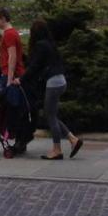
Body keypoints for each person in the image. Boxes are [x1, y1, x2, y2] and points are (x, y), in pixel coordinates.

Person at [23, 18, 84, 160]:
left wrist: (21, 79)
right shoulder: (50, 44)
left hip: (53, 83)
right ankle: (73, 139)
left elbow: (34, 67)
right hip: (60, 81)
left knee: (49, 116)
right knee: (52, 115)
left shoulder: (40, 45)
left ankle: (57, 149)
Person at [0, 6, 32, 154]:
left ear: (2, 18)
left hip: (10, 76)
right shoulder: (12, 33)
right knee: (15, 109)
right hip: (12, 75)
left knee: (10, 108)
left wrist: (9, 79)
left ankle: (14, 137)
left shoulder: (8, 34)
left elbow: (12, 56)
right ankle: (19, 140)